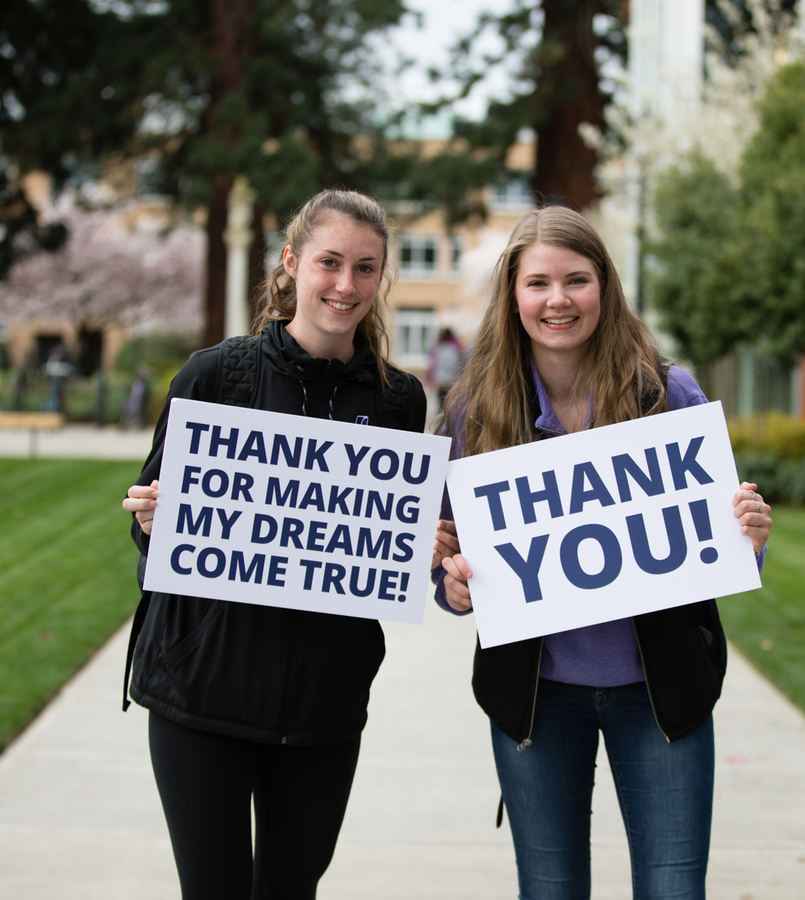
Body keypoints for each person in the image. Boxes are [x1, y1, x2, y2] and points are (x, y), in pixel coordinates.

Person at [431, 205, 772, 900]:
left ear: (604, 288)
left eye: (576, 280)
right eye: (538, 283)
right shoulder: (476, 411)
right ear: (513, 297)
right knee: (550, 889)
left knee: (674, 889)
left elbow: (717, 546)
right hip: (536, 697)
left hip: (660, 691)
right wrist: (452, 584)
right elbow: (448, 557)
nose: (558, 300)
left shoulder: (665, 394)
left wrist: (750, 536)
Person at [122, 189, 427, 900]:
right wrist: (151, 522)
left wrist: (419, 544)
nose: (345, 285)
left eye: (365, 267)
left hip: (323, 704)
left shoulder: (396, 402)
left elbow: (381, 548)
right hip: (202, 697)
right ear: (291, 263)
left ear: (380, 278)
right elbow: (147, 535)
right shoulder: (214, 376)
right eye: (329, 262)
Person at [427, 327, 464, 409]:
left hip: (441, 382)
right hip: (453, 382)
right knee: (451, 407)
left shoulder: (438, 348)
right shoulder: (457, 347)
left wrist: (430, 381)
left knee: (441, 406)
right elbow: (462, 366)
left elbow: (432, 366)